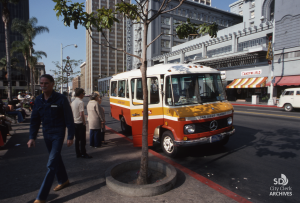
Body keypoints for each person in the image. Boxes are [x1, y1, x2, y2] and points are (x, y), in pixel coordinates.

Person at [27, 74, 75, 203]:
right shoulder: (38, 100)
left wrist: (70, 136)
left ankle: (41, 197)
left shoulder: (61, 99)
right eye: (41, 83)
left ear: (52, 84)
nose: (43, 85)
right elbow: (34, 121)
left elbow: (69, 119)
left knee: (51, 164)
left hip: (58, 134)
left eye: (46, 83)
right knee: (56, 159)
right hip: (46, 134)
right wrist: (32, 137)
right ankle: (63, 180)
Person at [71, 88, 92, 158]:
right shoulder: (80, 102)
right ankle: (83, 153)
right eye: (83, 94)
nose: (84, 95)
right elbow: (81, 113)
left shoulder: (73, 102)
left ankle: (78, 153)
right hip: (80, 122)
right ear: (80, 94)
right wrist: (84, 122)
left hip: (74, 122)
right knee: (82, 140)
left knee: (77, 139)